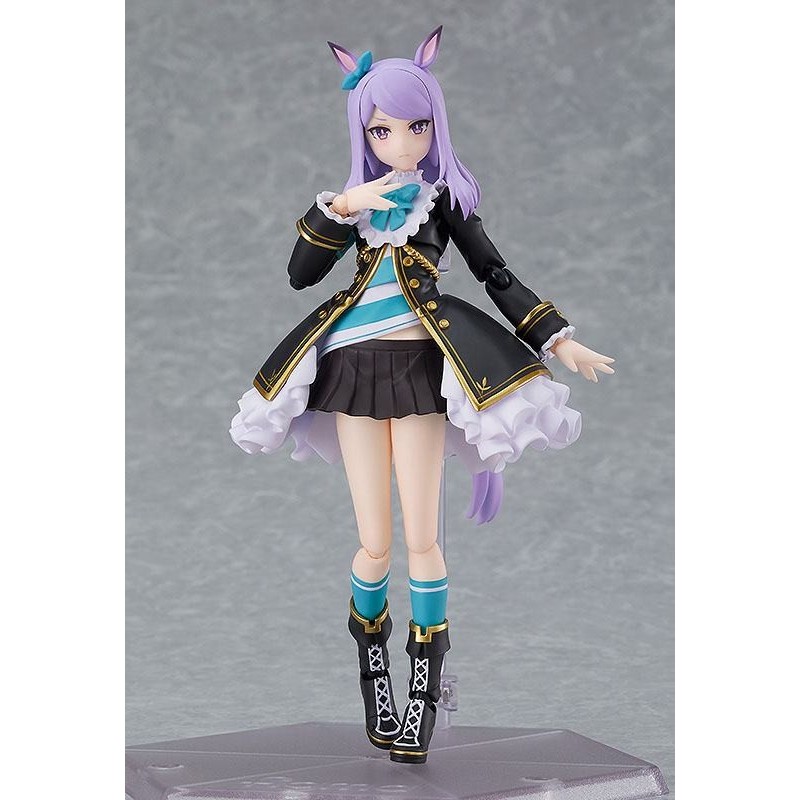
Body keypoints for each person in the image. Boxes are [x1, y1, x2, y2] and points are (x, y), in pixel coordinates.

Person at [230, 26, 614, 764]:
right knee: (375, 541)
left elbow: (496, 274)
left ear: (435, 125)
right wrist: (342, 206)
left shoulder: (444, 202)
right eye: (382, 129)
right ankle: (373, 665)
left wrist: (555, 336)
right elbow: (299, 275)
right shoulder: (355, 203)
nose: (401, 142)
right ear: (363, 132)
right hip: (350, 368)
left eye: (416, 126)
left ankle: (423, 692)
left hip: (417, 369)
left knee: (422, 539)